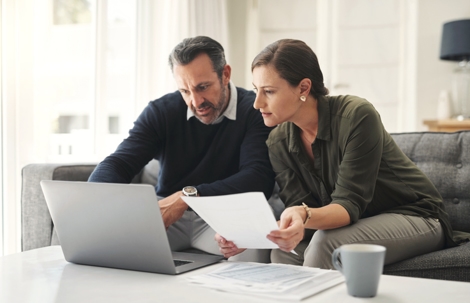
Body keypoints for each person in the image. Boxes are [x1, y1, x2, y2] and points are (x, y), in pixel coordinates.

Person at [217, 39, 459, 268]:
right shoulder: (278, 142)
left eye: (268, 91)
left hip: (417, 217)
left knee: (326, 244)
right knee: (282, 251)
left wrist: (302, 214)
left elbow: (348, 204)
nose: (257, 103)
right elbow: (303, 212)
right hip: (358, 222)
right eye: (256, 90)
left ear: (303, 87)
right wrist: (254, 234)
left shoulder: (357, 116)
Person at [89, 36, 275, 260]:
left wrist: (187, 196)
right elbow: (119, 162)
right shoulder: (161, 111)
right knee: (106, 248)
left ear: (225, 74)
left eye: (203, 87)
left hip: (224, 217)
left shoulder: (255, 110)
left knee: (251, 255)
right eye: (185, 91)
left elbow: (258, 178)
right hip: (166, 217)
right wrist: (96, 201)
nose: (196, 102)